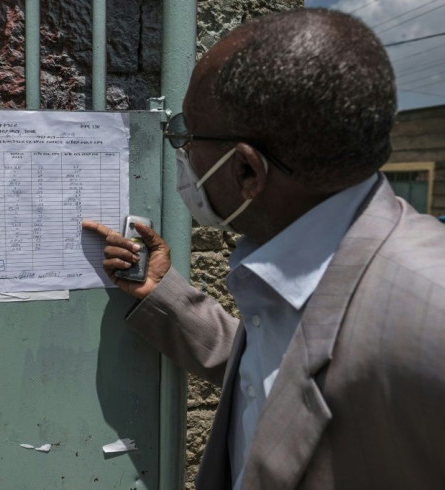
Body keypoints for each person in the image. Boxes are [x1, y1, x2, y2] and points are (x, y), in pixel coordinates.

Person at [83, 8, 445, 490]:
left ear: (248, 171)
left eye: (187, 136)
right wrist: (163, 296)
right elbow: (284, 377)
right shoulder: (308, 258)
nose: (183, 154)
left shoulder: (431, 310)